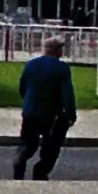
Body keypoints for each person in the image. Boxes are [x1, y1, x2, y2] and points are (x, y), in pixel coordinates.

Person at [14, 36, 78, 180]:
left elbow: (22, 87)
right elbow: (67, 94)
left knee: (28, 142)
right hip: (51, 114)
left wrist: (28, 102)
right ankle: (41, 170)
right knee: (52, 146)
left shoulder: (30, 65)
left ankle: (19, 161)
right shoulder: (61, 68)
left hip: (30, 111)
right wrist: (70, 115)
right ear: (57, 51)